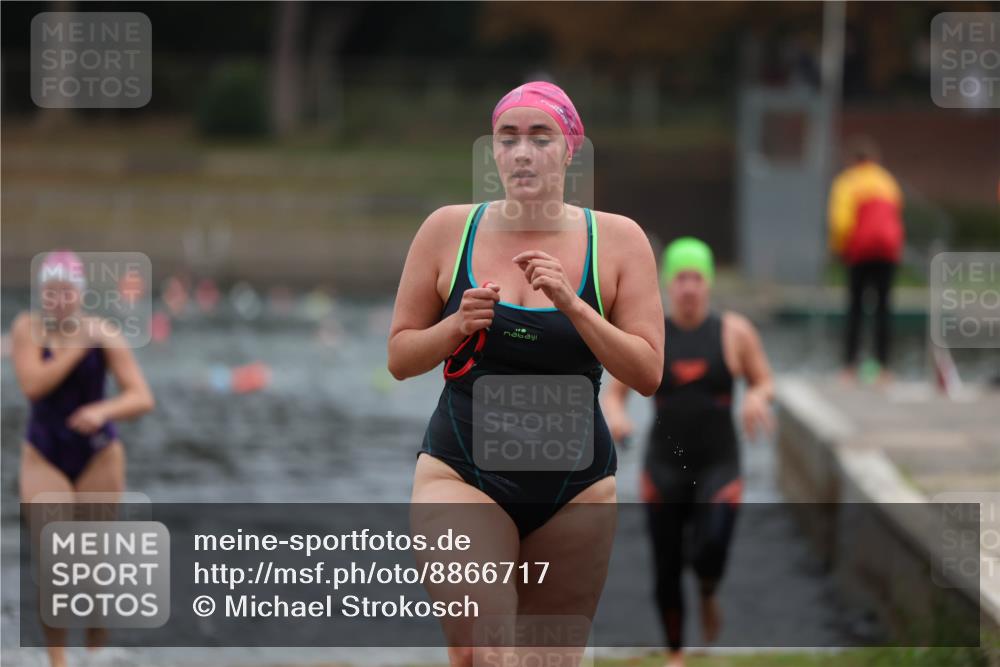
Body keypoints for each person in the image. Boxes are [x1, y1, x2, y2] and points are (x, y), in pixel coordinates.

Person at [387, 81, 664, 666]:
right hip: (461, 477)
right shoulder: (447, 230)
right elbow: (400, 357)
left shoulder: (617, 240)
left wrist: (574, 305)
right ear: (493, 150)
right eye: (508, 138)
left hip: (576, 492)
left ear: (570, 149)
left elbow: (646, 373)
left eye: (541, 137)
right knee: (484, 652)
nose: (522, 152)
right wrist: (454, 326)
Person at [602, 237, 774, 667]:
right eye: (681, 278)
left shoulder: (734, 332)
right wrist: (618, 418)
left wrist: (757, 397)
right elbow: (614, 392)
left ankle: (709, 591)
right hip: (663, 467)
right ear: (667, 284)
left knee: (711, 547)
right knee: (666, 564)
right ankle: (676, 654)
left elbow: (764, 380)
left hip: (720, 464)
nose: (690, 287)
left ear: (709, 283)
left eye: (697, 278)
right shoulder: (650, 333)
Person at [12, 250, 155, 667]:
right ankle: (58, 662)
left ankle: (95, 656)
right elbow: (34, 385)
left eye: (65, 292)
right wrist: (76, 348)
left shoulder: (106, 333)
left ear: (79, 294)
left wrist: (103, 410)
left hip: (99, 455)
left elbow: (142, 397)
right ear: (41, 294)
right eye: (50, 293)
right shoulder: (27, 328)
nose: (57, 301)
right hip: (44, 454)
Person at [827, 136, 905, 385]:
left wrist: (838, 249)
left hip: (860, 252)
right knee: (884, 309)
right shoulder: (887, 180)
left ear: (854, 160)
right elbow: (897, 215)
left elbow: (840, 221)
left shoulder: (847, 182)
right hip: (887, 254)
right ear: (874, 159)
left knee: (855, 309)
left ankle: (849, 367)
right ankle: (883, 368)